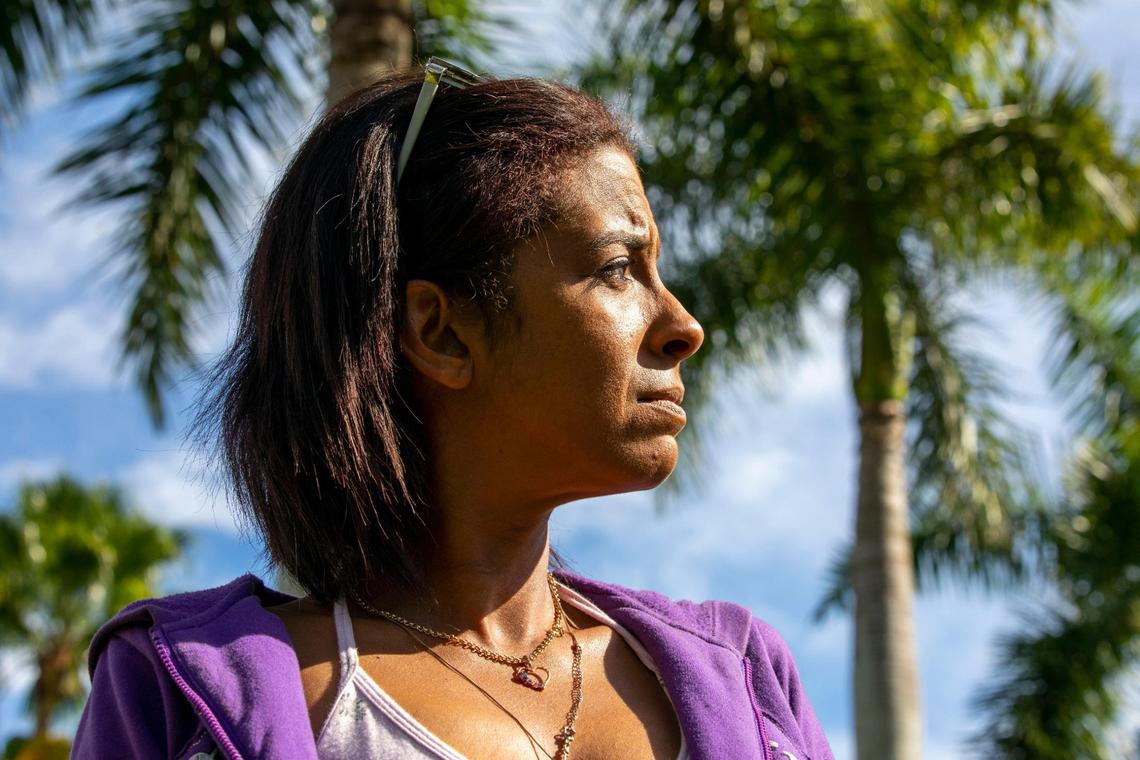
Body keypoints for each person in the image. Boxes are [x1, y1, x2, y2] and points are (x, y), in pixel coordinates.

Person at [72, 60, 834, 760]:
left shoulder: (745, 682)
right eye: (616, 269)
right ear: (441, 331)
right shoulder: (186, 702)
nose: (682, 326)